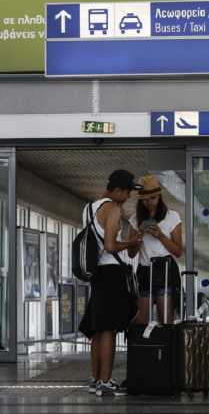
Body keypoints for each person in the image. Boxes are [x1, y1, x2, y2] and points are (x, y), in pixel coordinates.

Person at [78, 169, 142, 397]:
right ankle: (105, 382)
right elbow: (111, 246)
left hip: (97, 273)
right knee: (109, 329)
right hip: (111, 273)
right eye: (127, 192)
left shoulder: (89, 208)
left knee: (98, 329)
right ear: (116, 190)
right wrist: (131, 242)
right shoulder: (113, 208)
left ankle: (96, 379)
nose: (128, 197)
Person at [128, 175, 183, 325]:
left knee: (165, 322)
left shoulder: (172, 216)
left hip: (165, 270)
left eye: (153, 198)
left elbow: (178, 251)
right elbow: (131, 253)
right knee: (140, 321)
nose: (149, 203)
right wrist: (139, 234)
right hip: (144, 271)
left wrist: (161, 236)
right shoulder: (135, 219)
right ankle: (142, 341)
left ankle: (164, 342)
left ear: (159, 196)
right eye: (144, 199)